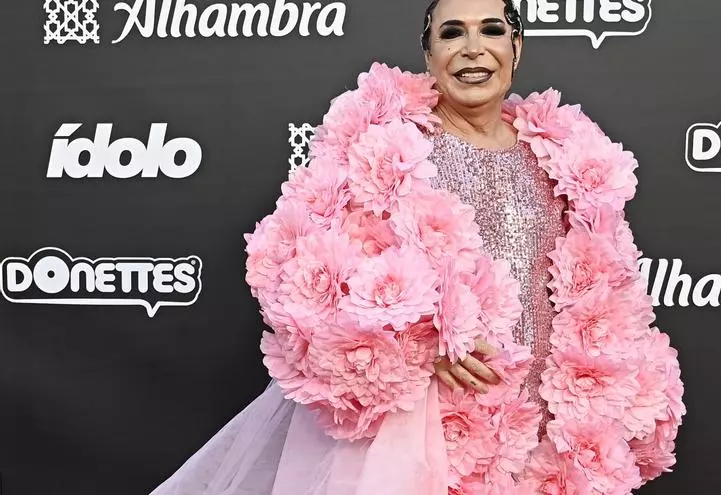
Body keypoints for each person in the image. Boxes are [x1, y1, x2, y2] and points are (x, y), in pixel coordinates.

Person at [150, 1, 684, 494]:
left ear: (516, 47)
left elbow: (609, 285)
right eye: (452, 33)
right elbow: (303, 274)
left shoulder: (563, 154)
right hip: (426, 430)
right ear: (429, 55)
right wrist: (415, 344)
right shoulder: (388, 146)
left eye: (491, 30)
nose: (472, 48)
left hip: (545, 420)